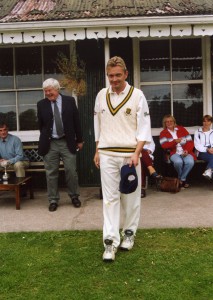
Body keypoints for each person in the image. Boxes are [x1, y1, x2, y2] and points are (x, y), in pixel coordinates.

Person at [93, 56, 151, 262]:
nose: (114, 79)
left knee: (130, 197)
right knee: (109, 199)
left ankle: (129, 234)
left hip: (129, 155)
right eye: (111, 76)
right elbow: (98, 125)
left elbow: (144, 128)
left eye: (118, 75)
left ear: (126, 74)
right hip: (107, 153)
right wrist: (97, 150)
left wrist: (136, 153)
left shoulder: (137, 95)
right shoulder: (101, 95)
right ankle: (110, 242)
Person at [37, 78, 83, 212]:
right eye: (45, 91)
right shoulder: (41, 104)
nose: (47, 93)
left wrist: (79, 140)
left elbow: (76, 121)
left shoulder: (69, 101)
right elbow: (41, 125)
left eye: (50, 90)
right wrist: (46, 137)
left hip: (67, 142)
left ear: (57, 89)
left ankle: (74, 196)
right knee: (51, 173)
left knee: (71, 171)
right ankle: (53, 200)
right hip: (50, 143)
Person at [159, 114, 196, 188]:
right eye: (167, 122)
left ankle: (181, 179)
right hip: (173, 153)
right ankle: (183, 179)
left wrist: (187, 150)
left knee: (190, 162)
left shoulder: (182, 129)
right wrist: (175, 141)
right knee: (178, 162)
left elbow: (190, 142)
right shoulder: (163, 133)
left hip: (185, 151)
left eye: (171, 121)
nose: (169, 123)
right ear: (165, 124)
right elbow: (164, 145)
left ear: (174, 122)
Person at [194, 115, 213, 180]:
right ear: (202, 122)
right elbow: (197, 145)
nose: (206, 123)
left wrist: (212, 149)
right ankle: (208, 170)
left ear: (211, 122)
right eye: (204, 121)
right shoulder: (198, 132)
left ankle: (208, 171)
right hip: (201, 152)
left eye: (208, 121)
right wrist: (207, 149)